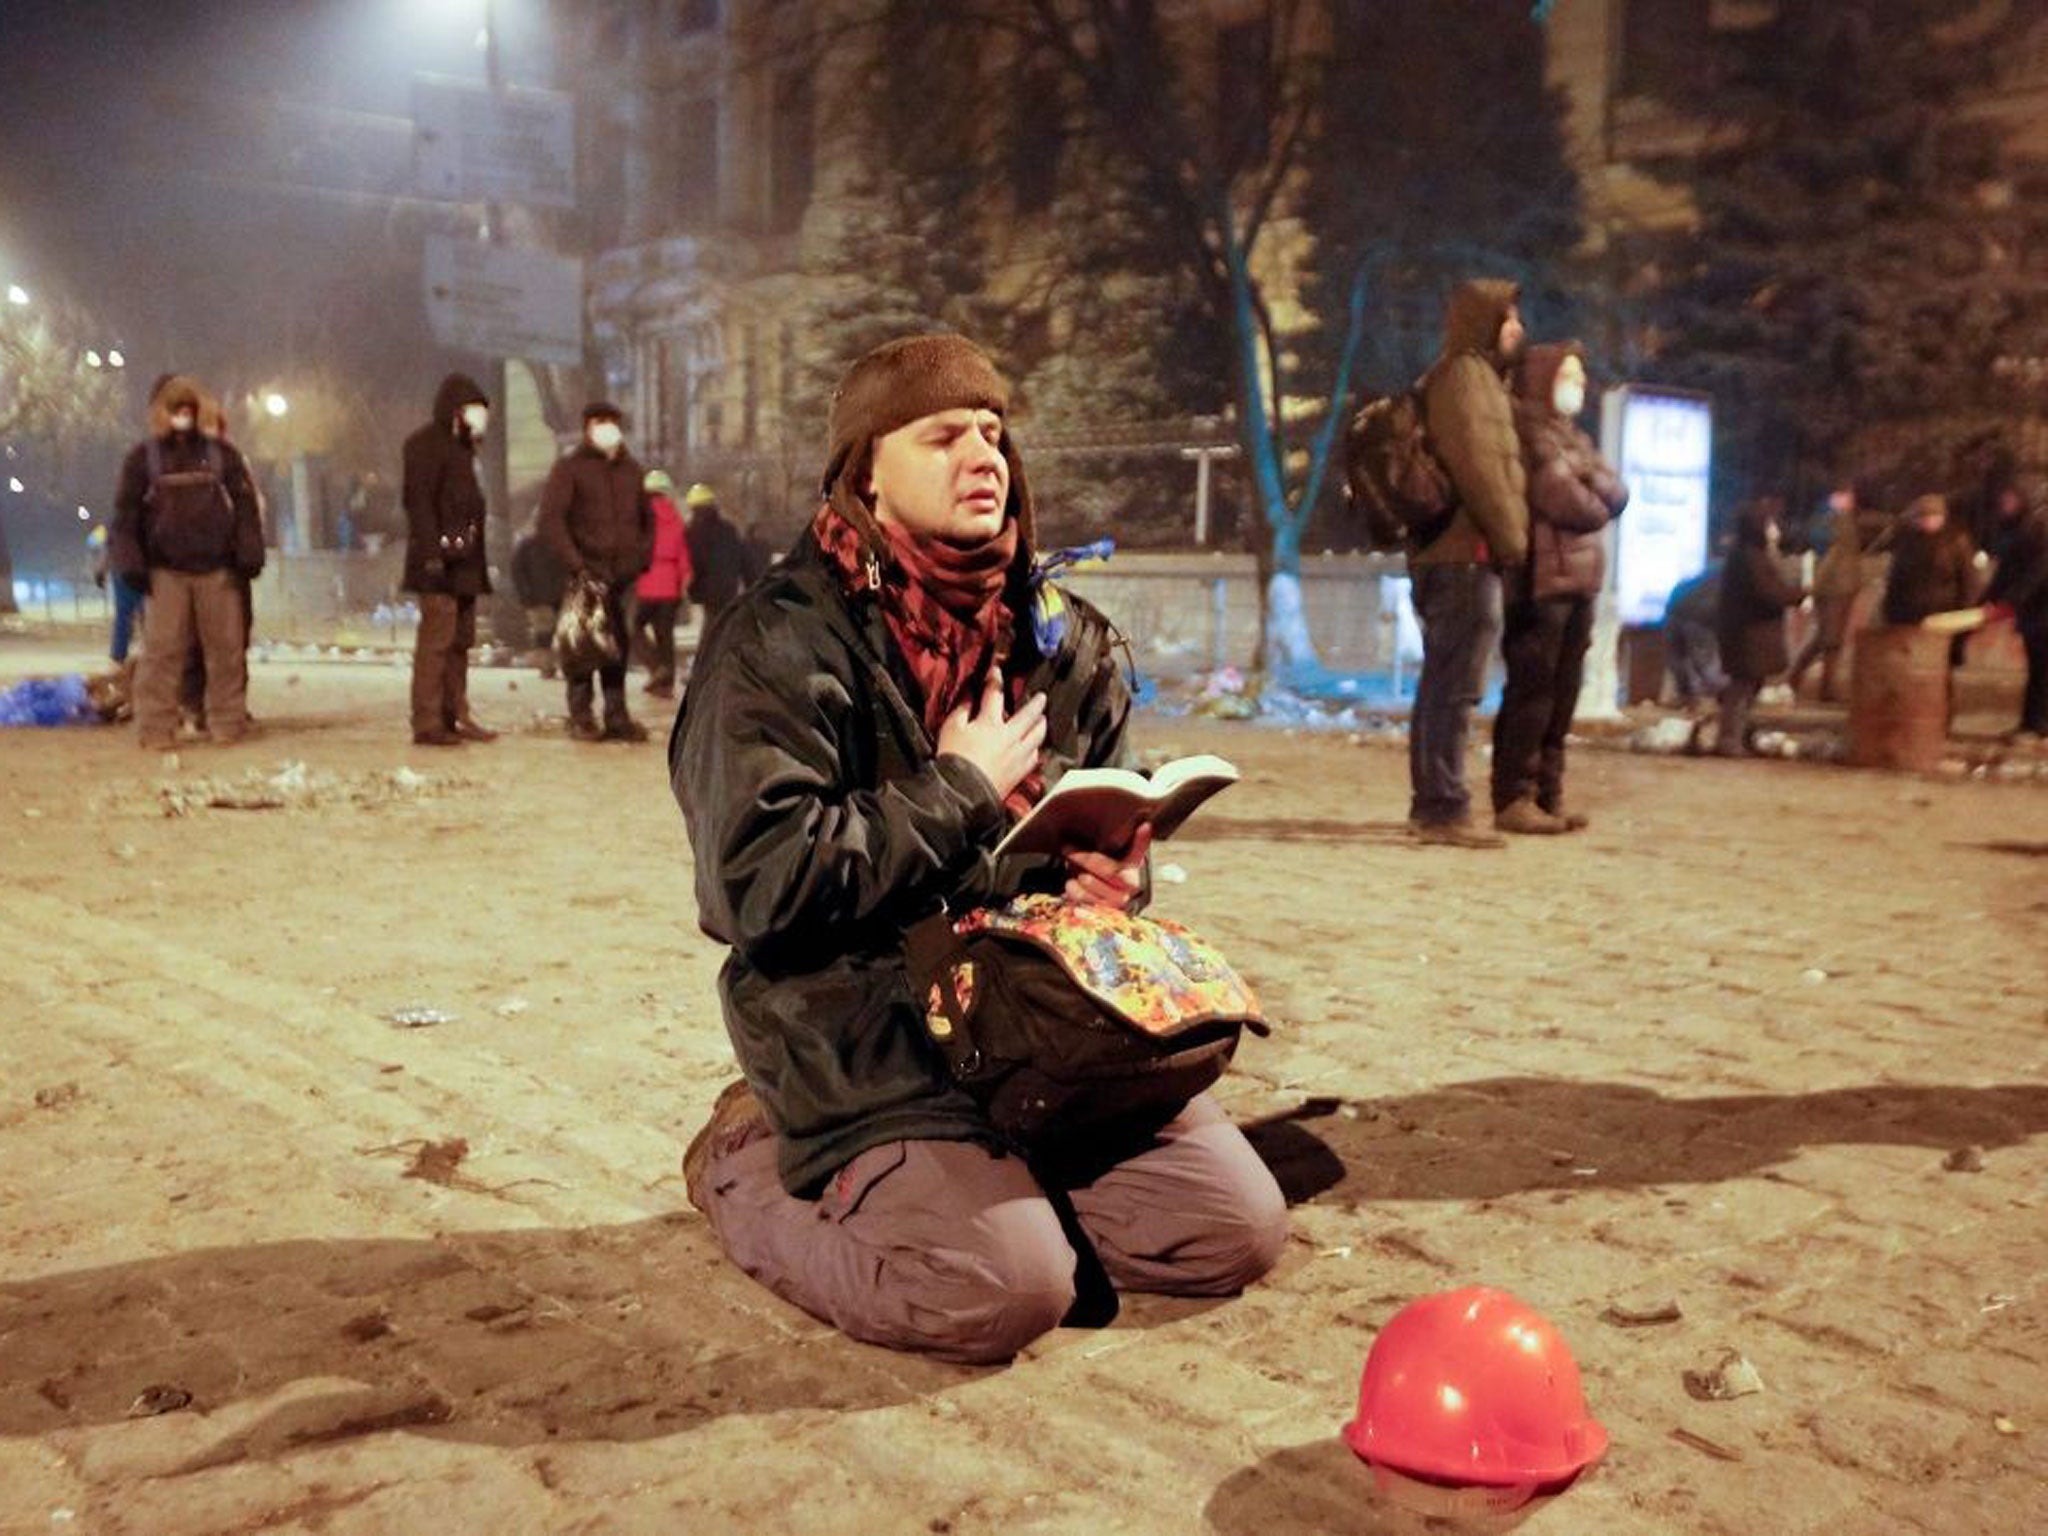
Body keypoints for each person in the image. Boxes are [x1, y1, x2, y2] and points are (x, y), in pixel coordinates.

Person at [670, 333, 1286, 1365]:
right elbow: (753, 887)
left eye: (994, 432)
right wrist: (953, 790)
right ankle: (743, 1165)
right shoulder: (778, 644)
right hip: (858, 1027)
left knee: (1230, 1231)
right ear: (866, 467)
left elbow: (1095, 817)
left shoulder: (1062, 640)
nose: (984, 455)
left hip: (1035, 1024)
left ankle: (990, 1189)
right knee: (999, 1294)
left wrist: (1115, 882)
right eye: (942, 433)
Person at [1405, 279, 1531, 849]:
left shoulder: (1471, 378)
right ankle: (1442, 807)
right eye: (1510, 320)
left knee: (1447, 682)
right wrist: (1512, 540)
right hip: (1462, 554)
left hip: (1457, 553)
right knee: (1453, 686)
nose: (1518, 331)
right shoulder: (1465, 379)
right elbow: (1480, 467)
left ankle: (1439, 802)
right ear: (1487, 322)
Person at [1492, 342, 1627, 834]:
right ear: (1544, 378)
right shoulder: (1528, 431)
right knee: (1534, 691)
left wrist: (1590, 479)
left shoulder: (1572, 436)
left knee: (1564, 693)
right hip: (1542, 580)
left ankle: (1549, 794)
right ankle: (1515, 796)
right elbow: (1573, 503)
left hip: (1580, 582)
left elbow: (1618, 491)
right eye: (1568, 375)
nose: (1579, 385)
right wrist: (1593, 487)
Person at [109, 374, 264, 750]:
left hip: (218, 568)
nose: (183, 416)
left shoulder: (221, 455)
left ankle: (227, 722)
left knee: (225, 651)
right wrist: (131, 563)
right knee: (162, 654)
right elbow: (126, 515)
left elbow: (244, 506)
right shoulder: (143, 459)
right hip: (165, 571)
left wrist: (249, 550)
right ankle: (156, 727)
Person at [539, 402, 654, 742]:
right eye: (600, 422)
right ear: (587, 427)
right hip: (585, 575)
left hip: (623, 575)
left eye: (612, 422)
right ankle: (582, 715)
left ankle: (617, 715)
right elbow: (551, 520)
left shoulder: (632, 470)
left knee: (617, 647)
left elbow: (648, 519)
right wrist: (576, 563)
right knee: (582, 647)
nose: (607, 428)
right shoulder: (570, 468)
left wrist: (641, 556)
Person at [401, 373, 497, 747]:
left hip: (466, 563)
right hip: (439, 564)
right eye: (475, 410)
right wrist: (431, 556)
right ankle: (427, 720)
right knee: (436, 643)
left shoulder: (466, 450)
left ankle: (455, 713)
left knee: (460, 642)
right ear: (456, 410)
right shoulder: (424, 445)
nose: (481, 418)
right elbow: (419, 504)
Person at [1714, 497, 1804, 756]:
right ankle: (1729, 739)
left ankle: (1739, 736)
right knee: (1742, 686)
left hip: (1748, 632)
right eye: (1770, 524)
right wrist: (1798, 595)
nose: (1775, 530)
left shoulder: (1748, 554)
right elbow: (1767, 592)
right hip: (1748, 633)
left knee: (1749, 685)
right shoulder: (1751, 557)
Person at [1980, 472, 2048, 745]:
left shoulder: (2040, 527)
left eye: (2011, 499)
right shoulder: (2018, 530)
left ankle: (2041, 725)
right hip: (2034, 611)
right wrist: (1989, 599)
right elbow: (2006, 572)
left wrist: (2013, 600)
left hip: (2043, 610)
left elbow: (2039, 570)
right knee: (2036, 668)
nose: (2005, 504)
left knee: (2044, 669)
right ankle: (2030, 723)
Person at [1787, 482, 1865, 703]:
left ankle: (1827, 687)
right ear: (1836, 496)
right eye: (1847, 495)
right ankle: (1797, 676)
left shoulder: (1840, 518)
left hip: (1845, 584)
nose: (1852, 500)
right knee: (1826, 637)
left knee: (1834, 639)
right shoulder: (1830, 518)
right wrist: (1816, 586)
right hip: (1833, 586)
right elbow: (1827, 551)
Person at [631, 468, 693, 700]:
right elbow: (684, 556)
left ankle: (656, 667)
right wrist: (683, 581)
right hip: (671, 584)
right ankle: (665, 685)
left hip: (648, 580)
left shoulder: (641, 519)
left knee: (633, 627)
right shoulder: (677, 518)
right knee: (665, 633)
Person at [683, 482, 750, 630]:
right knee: (719, 622)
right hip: (729, 585)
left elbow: (694, 561)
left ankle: (709, 652)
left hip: (706, 587)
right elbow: (740, 555)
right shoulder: (729, 528)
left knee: (712, 625)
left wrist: (691, 587)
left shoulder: (692, 531)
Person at [1662, 560, 1725, 708]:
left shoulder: (1702, 578)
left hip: (1674, 612)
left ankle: (1686, 695)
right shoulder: (1724, 581)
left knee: (1677, 659)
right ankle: (1721, 693)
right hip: (1699, 617)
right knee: (1703, 661)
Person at [511, 517, 567, 679]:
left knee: (548, 633)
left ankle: (549, 666)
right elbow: (518, 572)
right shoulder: (558, 543)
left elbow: (518, 572)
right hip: (544, 596)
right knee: (547, 632)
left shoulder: (527, 545)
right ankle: (549, 665)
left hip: (542, 596)